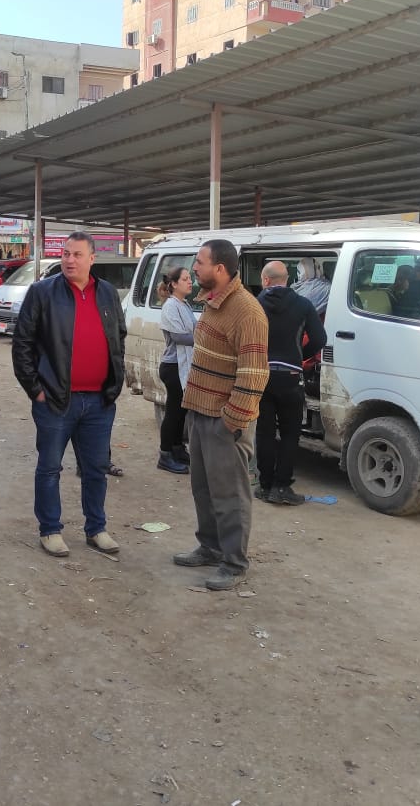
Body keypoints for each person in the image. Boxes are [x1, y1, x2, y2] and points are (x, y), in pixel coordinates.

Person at [12, 231, 126, 558]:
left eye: (77, 254)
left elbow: (118, 336)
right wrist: (36, 389)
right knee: (50, 468)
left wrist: (114, 383)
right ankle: (50, 530)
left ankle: (96, 529)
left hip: (99, 402)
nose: (69, 260)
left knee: (96, 469)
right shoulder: (42, 292)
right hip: (55, 401)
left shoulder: (107, 293)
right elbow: (22, 344)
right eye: (65, 254)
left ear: (92, 258)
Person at [172, 239, 269, 591]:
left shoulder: (247, 311)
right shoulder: (213, 302)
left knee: (230, 494)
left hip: (225, 420)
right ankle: (210, 547)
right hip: (201, 412)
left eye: (200, 262)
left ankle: (234, 562)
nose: (194, 268)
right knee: (203, 488)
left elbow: (254, 373)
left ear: (220, 268)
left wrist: (233, 420)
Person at [256, 261, 327, 505]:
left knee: (264, 432)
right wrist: (299, 356)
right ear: (286, 279)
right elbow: (320, 338)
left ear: (266, 280)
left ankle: (265, 486)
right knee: (289, 433)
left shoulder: (255, 304)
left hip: (262, 376)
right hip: (290, 377)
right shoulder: (303, 304)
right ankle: (281, 487)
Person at [157, 266, 196, 474]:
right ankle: (165, 454)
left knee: (181, 411)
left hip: (183, 365)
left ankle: (177, 448)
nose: (190, 282)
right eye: (185, 279)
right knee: (173, 411)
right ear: (173, 284)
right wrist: (206, 339)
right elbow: (179, 337)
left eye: (190, 278)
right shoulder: (171, 306)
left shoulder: (184, 304)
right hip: (173, 366)